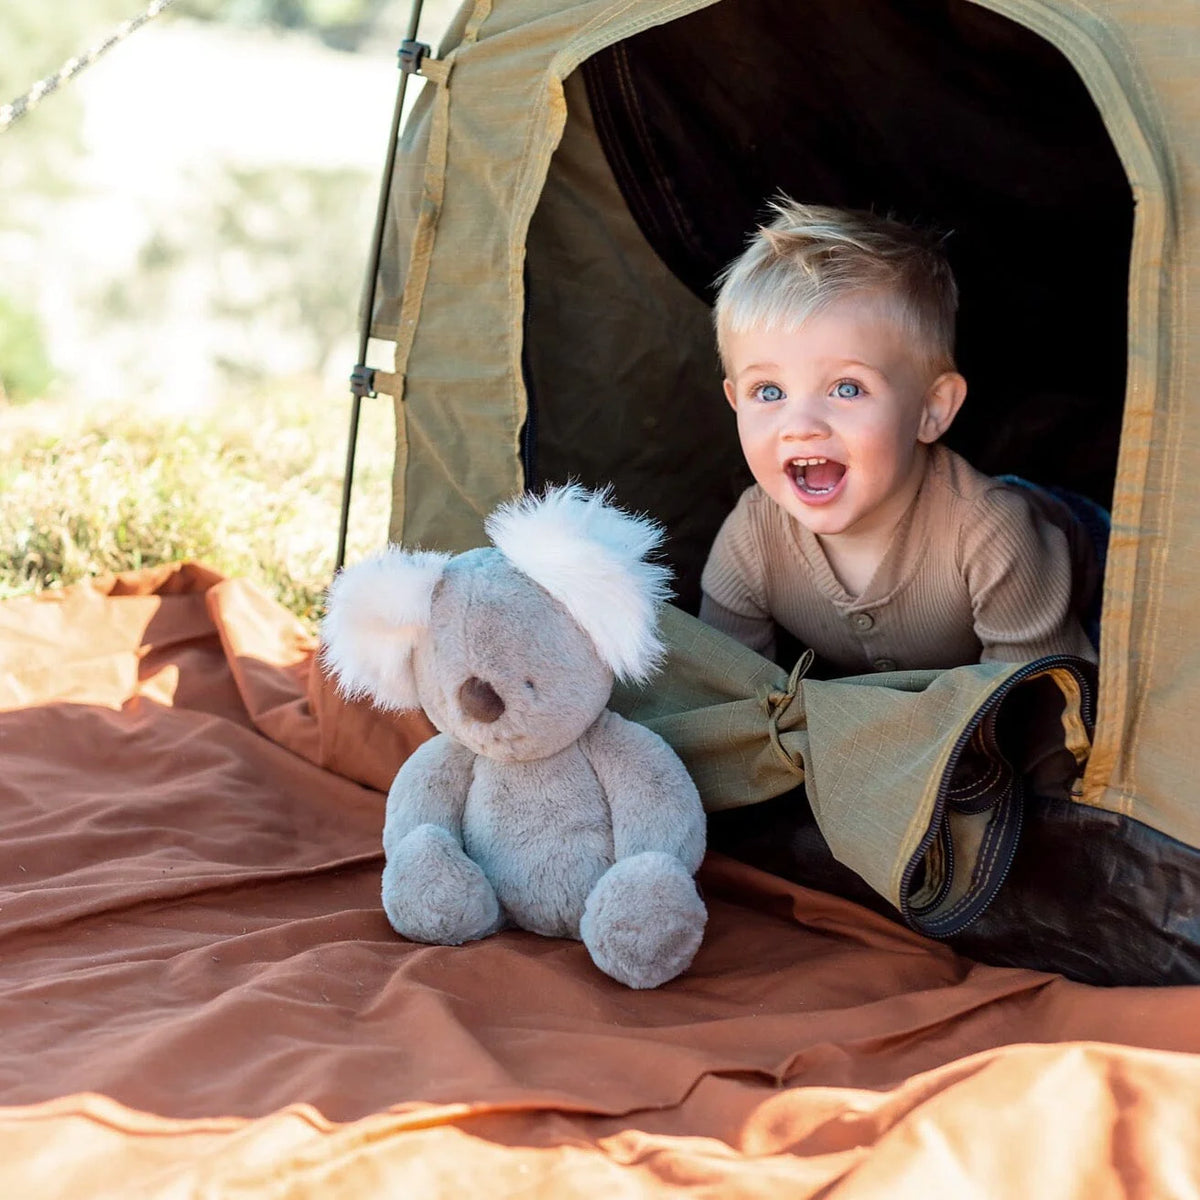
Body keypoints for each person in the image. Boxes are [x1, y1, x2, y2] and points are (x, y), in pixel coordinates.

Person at [699, 198, 1100, 676]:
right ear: (735, 401)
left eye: (847, 388)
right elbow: (719, 691)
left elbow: (1044, 708)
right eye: (768, 391)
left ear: (932, 410)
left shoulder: (995, 538)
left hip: (1079, 565)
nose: (800, 424)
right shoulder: (752, 539)